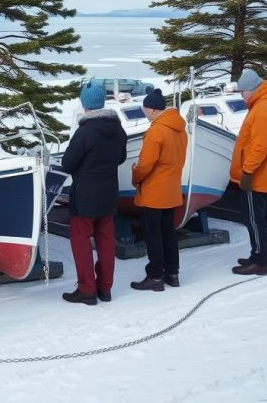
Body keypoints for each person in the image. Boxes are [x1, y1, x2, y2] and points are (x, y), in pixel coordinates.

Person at [60, 81, 127, 305]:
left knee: (80, 240)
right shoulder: (118, 129)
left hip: (85, 195)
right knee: (106, 241)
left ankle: (87, 289)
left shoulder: (85, 132)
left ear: (85, 106)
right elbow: (121, 158)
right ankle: (105, 288)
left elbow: (68, 163)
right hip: (109, 194)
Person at [130, 89, 187, 291]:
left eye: (145, 109)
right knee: (168, 232)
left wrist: (135, 177)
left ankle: (155, 277)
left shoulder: (156, 130)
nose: (145, 113)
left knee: (153, 235)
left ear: (151, 110)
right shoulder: (179, 129)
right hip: (172, 189)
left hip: (154, 192)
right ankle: (172, 273)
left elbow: (145, 165)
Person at [229, 69, 267, 276]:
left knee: (254, 218)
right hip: (264, 175)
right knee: (262, 218)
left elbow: (260, 146)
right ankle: (263, 256)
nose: (241, 96)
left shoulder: (262, 109)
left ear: (251, 90)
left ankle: (259, 261)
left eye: (242, 92)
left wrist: (248, 171)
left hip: (257, 177)